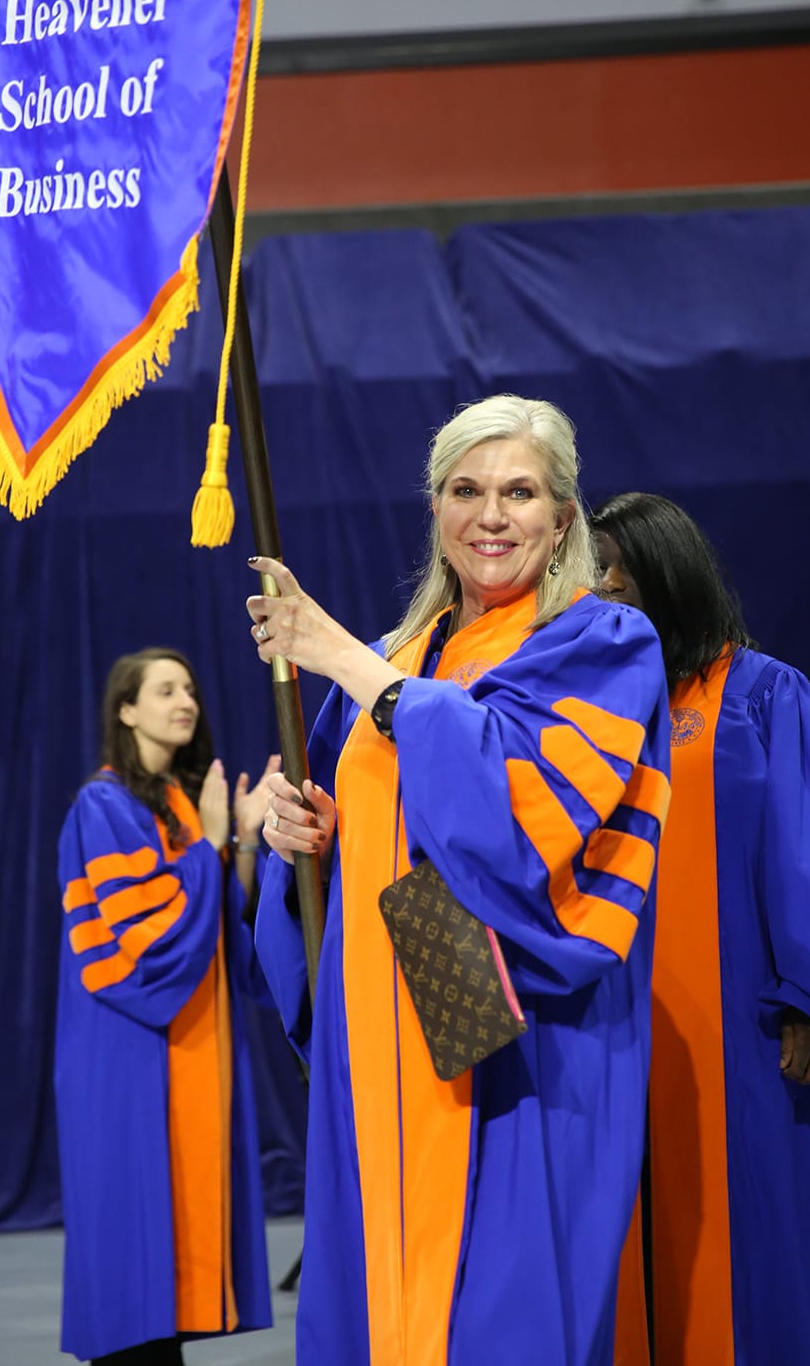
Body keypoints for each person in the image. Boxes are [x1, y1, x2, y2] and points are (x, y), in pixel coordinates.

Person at [250, 394, 671, 1366]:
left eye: (518, 491)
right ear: (433, 508)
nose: (490, 514)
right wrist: (302, 837)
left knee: (497, 1320)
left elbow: (513, 824)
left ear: (563, 515)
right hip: (383, 1039)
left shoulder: (596, 643)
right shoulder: (404, 653)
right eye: (464, 489)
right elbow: (358, 835)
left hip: (514, 1047)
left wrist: (348, 663)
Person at [590, 494, 810, 1366]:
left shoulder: (762, 694)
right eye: (594, 587)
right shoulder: (569, 710)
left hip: (741, 1039)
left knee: (748, 1267)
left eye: (623, 584)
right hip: (599, 1042)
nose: (604, 599)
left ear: (673, 581)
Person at [55, 648, 278, 1364]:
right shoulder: (104, 804)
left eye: (189, 688)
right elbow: (149, 942)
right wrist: (212, 842)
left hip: (189, 1047)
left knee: (171, 1277)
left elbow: (216, 927)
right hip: (127, 1054)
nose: (185, 700)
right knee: (132, 1257)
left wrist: (238, 841)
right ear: (126, 710)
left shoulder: (182, 805)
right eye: (164, 690)